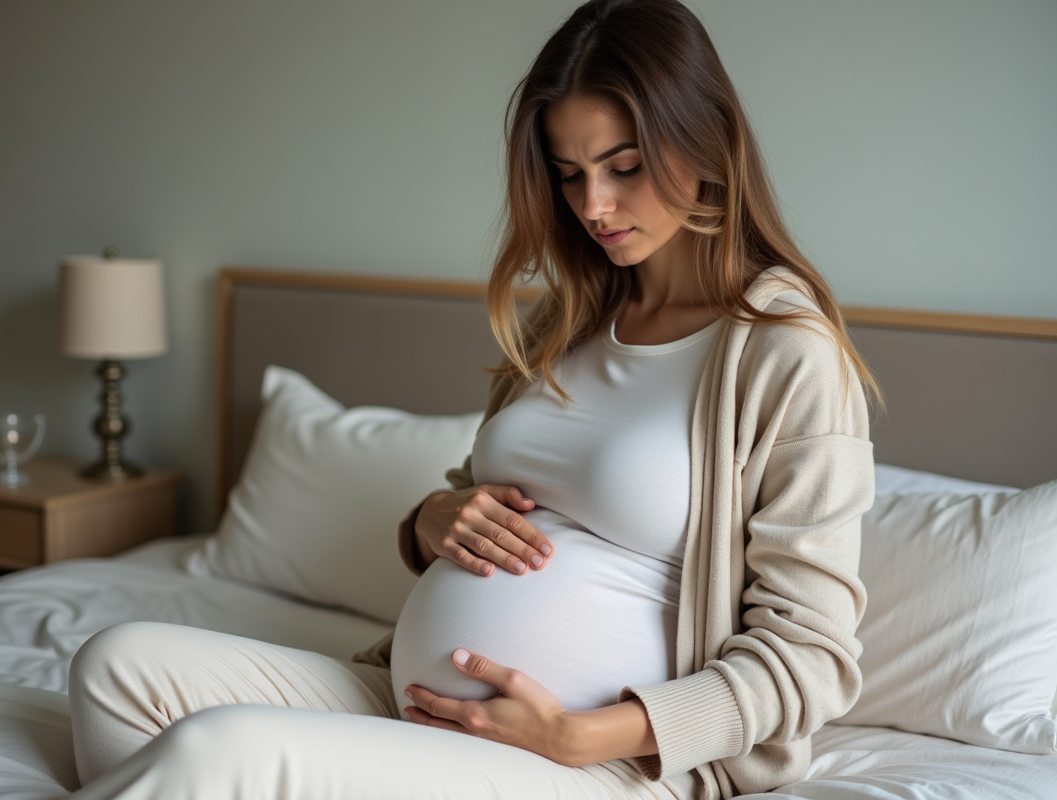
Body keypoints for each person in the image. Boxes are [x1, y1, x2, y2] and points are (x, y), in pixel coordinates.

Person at [67, 1, 877, 798]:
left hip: (594, 763)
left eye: (624, 166)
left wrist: (582, 733)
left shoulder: (783, 348)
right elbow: (475, 504)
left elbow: (811, 657)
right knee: (116, 666)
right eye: (570, 175)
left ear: (704, 137)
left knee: (219, 751)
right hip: (418, 704)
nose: (593, 205)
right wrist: (428, 522)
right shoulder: (569, 318)